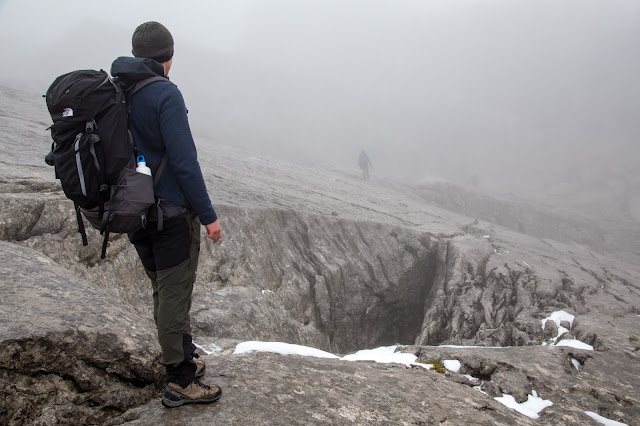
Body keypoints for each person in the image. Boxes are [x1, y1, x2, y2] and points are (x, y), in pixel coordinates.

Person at [110, 22, 222, 408]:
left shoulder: (119, 89)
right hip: (170, 214)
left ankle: (184, 355)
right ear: (168, 57)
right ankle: (180, 380)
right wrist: (208, 216)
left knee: (163, 289)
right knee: (175, 294)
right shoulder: (165, 95)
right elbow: (185, 162)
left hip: (134, 210)